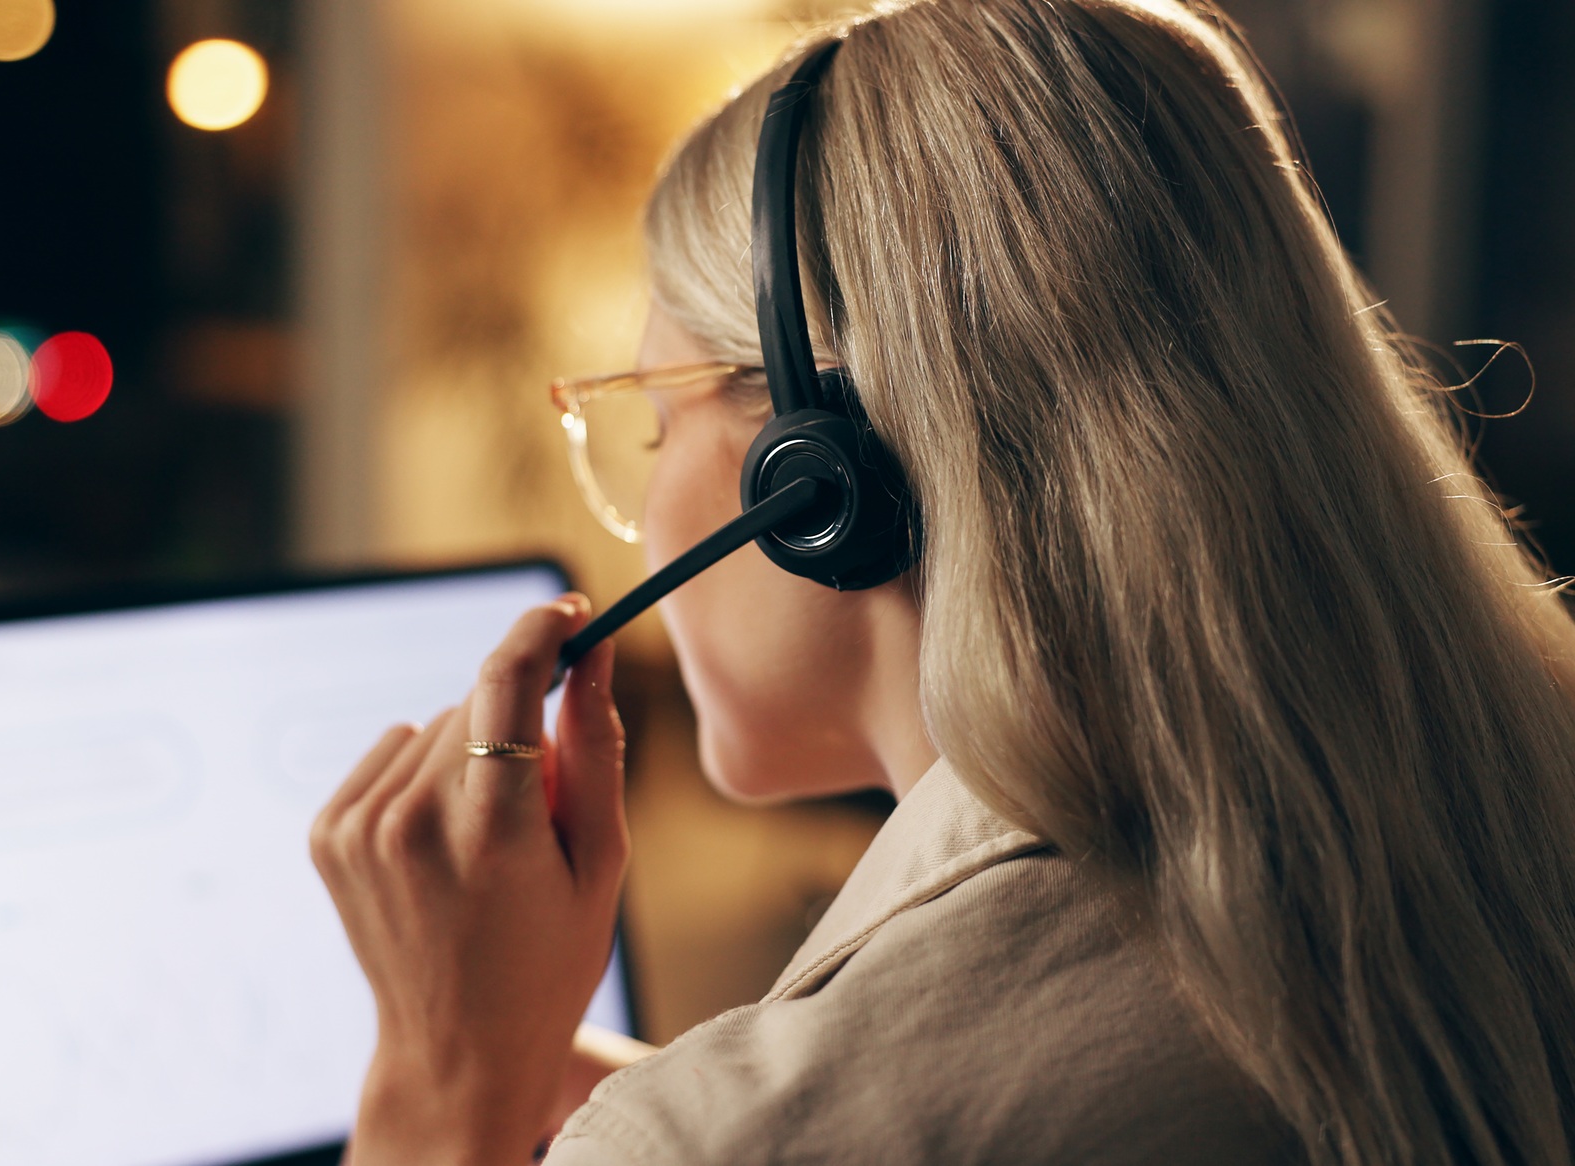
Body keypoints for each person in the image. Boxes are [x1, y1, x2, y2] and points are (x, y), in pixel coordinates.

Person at [308, 0, 1575, 1162]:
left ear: (812, 484)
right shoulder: (1464, 804)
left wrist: (441, 1075)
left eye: (650, 429)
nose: (637, 523)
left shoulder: (734, 1133)